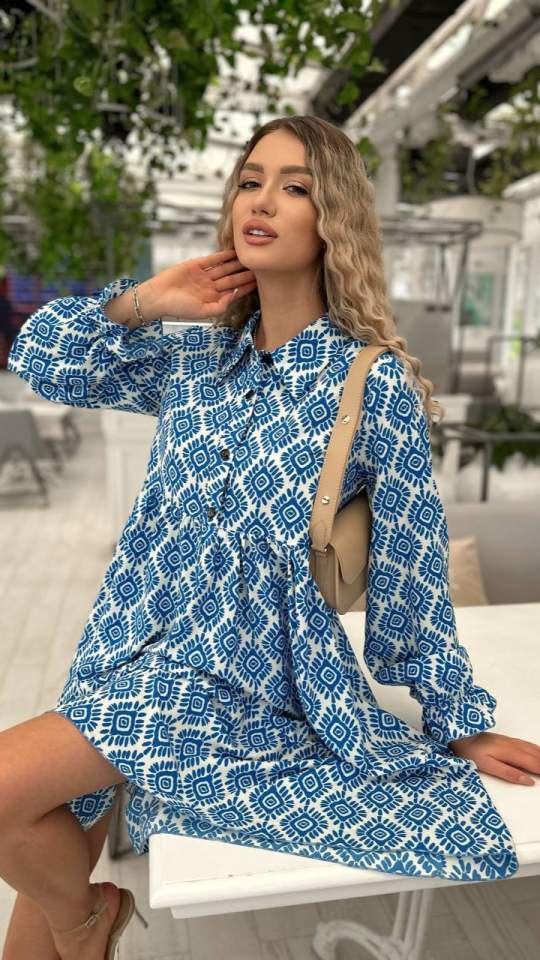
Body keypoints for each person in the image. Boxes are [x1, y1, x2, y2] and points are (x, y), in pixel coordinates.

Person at [3, 115, 539, 960]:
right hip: (123, 647)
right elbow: (45, 359)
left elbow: (412, 570)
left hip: (234, 679)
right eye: (250, 181)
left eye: (295, 187)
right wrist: (148, 300)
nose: (262, 201)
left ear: (333, 218)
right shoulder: (195, 359)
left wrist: (457, 720)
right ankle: (83, 922)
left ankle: (90, 922)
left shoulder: (371, 384)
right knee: (33, 892)